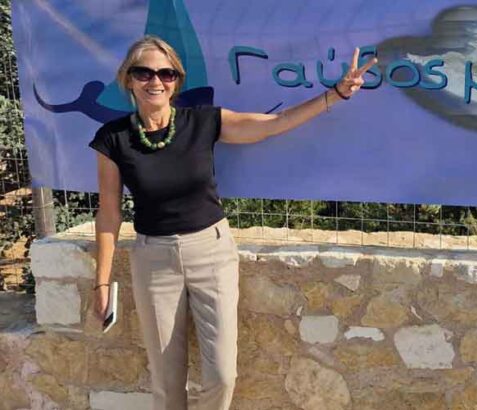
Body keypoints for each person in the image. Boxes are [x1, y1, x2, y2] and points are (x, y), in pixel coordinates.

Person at [89, 35, 376, 410]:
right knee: (167, 383)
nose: (155, 81)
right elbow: (109, 212)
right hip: (154, 260)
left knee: (223, 376)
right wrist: (101, 282)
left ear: (177, 81)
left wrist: (335, 94)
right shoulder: (113, 139)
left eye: (166, 73)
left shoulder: (203, 121)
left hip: (211, 253)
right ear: (128, 78)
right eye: (144, 72)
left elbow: (273, 124)